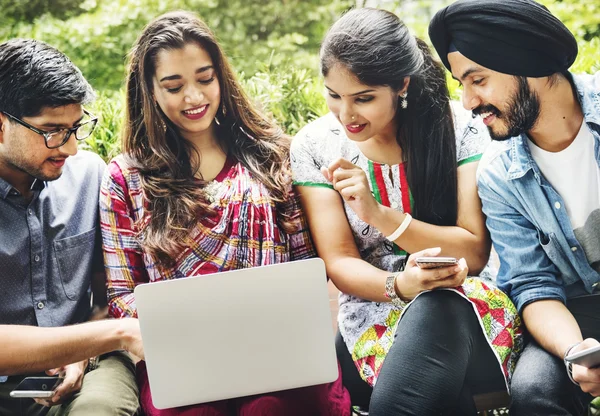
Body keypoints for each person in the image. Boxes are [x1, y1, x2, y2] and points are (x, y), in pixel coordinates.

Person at [99, 11, 350, 416]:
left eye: (204, 78)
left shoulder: (270, 155)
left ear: (221, 76)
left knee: (268, 408)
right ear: (150, 90)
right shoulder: (126, 178)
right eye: (174, 85)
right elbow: (122, 295)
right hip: (182, 356)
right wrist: (194, 324)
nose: (194, 97)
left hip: (280, 344)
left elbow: (307, 263)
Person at [290, 8, 523, 416]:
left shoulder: (459, 128)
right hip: (369, 316)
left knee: (438, 306)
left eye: (364, 99)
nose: (346, 115)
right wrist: (401, 285)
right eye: (333, 95)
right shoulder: (315, 145)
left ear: (401, 85)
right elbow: (339, 260)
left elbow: (472, 252)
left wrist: (378, 213)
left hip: (466, 305)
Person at [429, 0, 600, 414]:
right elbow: (533, 285)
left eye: (479, 80)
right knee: (535, 391)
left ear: (532, 64)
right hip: (574, 308)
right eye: (461, 85)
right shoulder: (497, 173)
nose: (469, 102)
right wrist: (578, 353)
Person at [0, 39, 140, 415]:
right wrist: (103, 336)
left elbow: (109, 296)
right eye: (52, 131)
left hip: (91, 361)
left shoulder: (90, 176)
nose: (71, 147)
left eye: (76, 128)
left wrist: (80, 351)